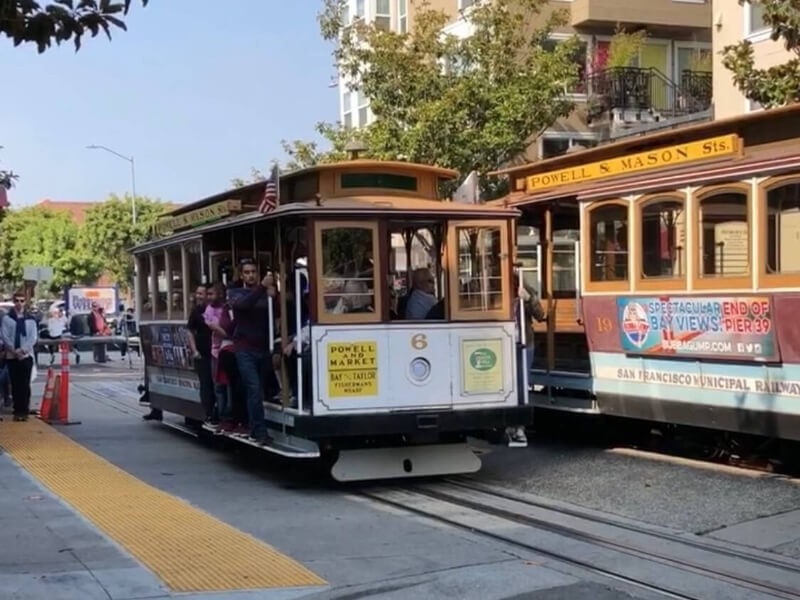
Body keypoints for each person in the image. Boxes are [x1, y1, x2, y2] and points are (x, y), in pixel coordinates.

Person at [229, 260, 276, 444]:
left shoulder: (266, 294)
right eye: (247, 272)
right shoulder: (235, 293)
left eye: (253, 272)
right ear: (241, 275)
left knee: (259, 391)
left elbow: (277, 314)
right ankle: (260, 432)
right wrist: (262, 288)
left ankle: (255, 427)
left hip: (264, 348)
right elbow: (243, 306)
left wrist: (275, 296)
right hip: (245, 349)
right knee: (254, 389)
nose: (250, 275)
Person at [506, 273, 547, 447]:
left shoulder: (525, 292)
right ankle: (508, 425)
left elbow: (540, 314)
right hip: (503, 343)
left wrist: (528, 299)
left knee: (522, 383)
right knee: (508, 384)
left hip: (524, 342)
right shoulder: (499, 294)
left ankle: (519, 426)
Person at [1, 292, 38, 421]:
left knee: (25, 384)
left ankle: (24, 410)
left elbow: (32, 337)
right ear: (13, 301)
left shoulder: (30, 319)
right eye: (17, 300)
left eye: (22, 301)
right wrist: (13, 350)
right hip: (12, 356)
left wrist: (23, 350)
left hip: (26, 356)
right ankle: (17, 411)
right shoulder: (7, 318)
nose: (19, 303)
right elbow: (5, 336)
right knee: (15, 385)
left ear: (25, 302)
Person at [186, 285, 215, 423]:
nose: (199, 296)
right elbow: (190, 331)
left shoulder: (216, 310)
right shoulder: (196, 311)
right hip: (202, 353)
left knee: (217, 383)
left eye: (202, 293)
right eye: (198, 293)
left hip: (216, 352)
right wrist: (195, 350)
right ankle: (209, 413)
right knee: (205, 383)